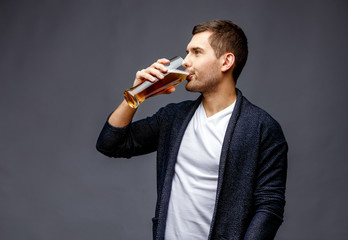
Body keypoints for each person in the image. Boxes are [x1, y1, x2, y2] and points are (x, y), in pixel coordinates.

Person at [96, 20, 288, 240]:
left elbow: (269, 206)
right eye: (187, 52)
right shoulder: (173, 118)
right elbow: (110, 144)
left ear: (226, 61)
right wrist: (136, 95)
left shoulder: (261, 128)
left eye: (197, 52)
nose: (185, 62)